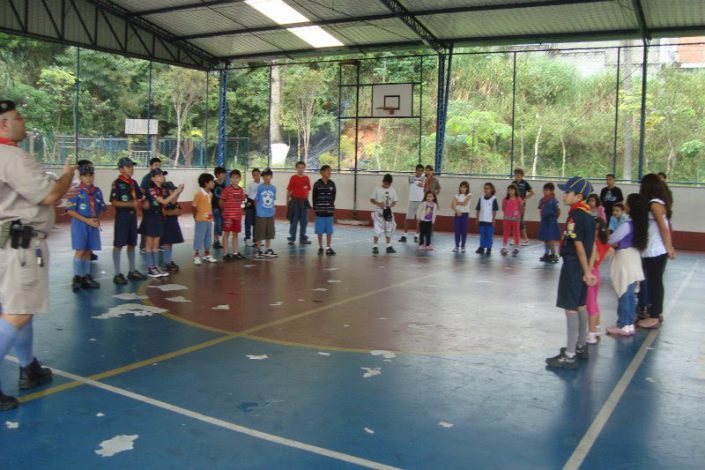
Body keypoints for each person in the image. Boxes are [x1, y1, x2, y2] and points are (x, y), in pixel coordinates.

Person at [0, 99, 75, 410]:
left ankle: (28, 366)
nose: (23, 121)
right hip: (21, 245)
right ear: (3, 124)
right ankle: (27, 366)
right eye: (17, 118)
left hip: (5, 243)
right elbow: (51, 194)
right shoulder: (12, 156)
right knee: (18, 312)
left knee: (17, 305)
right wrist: (67, 174)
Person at [545, 176, 596, 370]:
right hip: (582, 268)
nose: (564, 194)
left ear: (579, 196)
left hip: (574, 266)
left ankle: (570, 355)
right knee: (581, 305)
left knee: (571, 308)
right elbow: (593, 248)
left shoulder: (576, 216)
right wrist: (589, 271)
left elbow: (580, 247)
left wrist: (584, 271)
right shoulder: (589, 216)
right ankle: (581, 346)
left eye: (567, 192)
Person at [637, 174, 676, 329]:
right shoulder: (656, 203)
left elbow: (663, 228)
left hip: (656, 250)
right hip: (653, 249)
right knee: (654, 282)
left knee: (655, 283)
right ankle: (656, 312)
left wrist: (669, 248)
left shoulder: (654, 204)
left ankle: (654, 317)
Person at [606, 193, 647, 337]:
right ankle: (629, 324)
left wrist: (609, 239)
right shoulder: (640, 224)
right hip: (634, 257)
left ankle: (623, 324)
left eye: (627, 203)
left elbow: (612, 239)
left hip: (625, 259)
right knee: (630, 293)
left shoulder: (627, 225)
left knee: (623, 292)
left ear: (631, 207)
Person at [66, 162, 107, 291]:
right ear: (81, 177)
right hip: (80, 224)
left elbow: (102, 208)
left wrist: (98, 220)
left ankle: (86, 276)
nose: (88, 178)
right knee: (80, 250)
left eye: (91, 175)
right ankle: (77, 277)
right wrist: (86, 220)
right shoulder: (76, 191)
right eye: (85, 175)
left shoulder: (97, 191)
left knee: (88, 250)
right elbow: (70, 210)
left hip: (93, 224)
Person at [140, 168, 183, 277]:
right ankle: (150, 267)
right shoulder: (151, 189)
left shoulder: (163, 190)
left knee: (156, 244)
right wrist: (176, 192)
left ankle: (156, 266)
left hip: (159, 217)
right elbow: (163, 201)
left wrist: (178, 192)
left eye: (162, 175)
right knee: (149, 243)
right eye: (159, 175)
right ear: (153, 178)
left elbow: (171, 201)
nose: (162, 177)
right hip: (150, 218)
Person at [110, 157, 147, 285]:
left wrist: (143, 202)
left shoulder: (133, 183)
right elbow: (114, 202)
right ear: (121, 169)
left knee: (132, 243)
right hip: (122, 217)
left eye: (132, 166)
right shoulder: (117, 183)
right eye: (128, 166)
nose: (131, 169)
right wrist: (130, 203)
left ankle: (132, 271)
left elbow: (140, 197)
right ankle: (117, 273)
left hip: (132, 217)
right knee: (119, 244)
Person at [585, 218, 613, 343]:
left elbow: (593, 259)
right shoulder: (604, 243)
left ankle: (591, 335)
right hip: (597, 273)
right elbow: (610, 250)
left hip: (592, 274)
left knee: (590, 306)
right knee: (595, 303)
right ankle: (597, 329)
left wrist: (587, 273)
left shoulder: (593, 243)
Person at [220, 169, 246, 261]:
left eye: (237, 177)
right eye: (233, 177)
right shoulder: (227, 189)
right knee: (226, 234)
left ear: (240, 178)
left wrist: (242, 209)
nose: (235, 179)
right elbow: (221, 201)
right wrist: (224, 211)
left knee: (235, 234)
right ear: (230, 178)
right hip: (228, 217)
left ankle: (235, 253)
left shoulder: (241, 190)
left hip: (237, 217)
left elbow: (242, 201)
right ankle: (225, 254)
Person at [193, 173, 218, 265]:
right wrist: (195, 217)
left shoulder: (210, 194)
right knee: (199, 237)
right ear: (206, 183)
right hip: (201, 219)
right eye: (212, 182)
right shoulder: (199, 194)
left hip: (209, 219)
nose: (213, 183)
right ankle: (196, 255)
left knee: (208, 237)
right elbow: (194, 206)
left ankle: (207, 254)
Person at [312, 165, 337, 256]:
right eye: (328, 171)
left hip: (329, 211)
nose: (330, 173)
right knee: (320, 231)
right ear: (322, 172)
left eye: (330, 171)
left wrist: (329, 206)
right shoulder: (317, 184)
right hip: (319, 211)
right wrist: (316, 207)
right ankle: (320, 247)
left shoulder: (332, 184)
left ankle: (328, 247)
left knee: (329, 231)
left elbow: (333, 196)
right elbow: (314, 197)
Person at [161, 178, 184, 272]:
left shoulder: (173, 202)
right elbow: (166, 213)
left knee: (170, 243)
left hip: (172, 223)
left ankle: (169, 261)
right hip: (166, 224)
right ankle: (166, 262)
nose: (173, 191)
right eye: (172, 190)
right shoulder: (164, 201)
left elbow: (179, 211)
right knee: (166, 243)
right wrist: (173, 212)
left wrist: (179, 192)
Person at [370, 173, 398, 255]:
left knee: (389, 228)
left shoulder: (392, 190)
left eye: (388, 184)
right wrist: (378, 203)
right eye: (385, 183)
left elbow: (395, 201)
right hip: (379, 211)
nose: (386, 185)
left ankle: (388, 245)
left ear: (390, 183)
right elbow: (371, 200)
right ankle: (375, 246)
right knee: (377, 229)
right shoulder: (377, 189)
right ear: (383, 181)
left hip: (388, 212)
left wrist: (390, 206)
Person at [139, 157, 162, 253]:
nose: (158, 167)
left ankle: (156, 245)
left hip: (157, 206)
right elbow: (142, 190)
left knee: (157, 224)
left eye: (159, 166)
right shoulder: (147, 178)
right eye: (156, 165)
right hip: (148, 205)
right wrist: (144, 201)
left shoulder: (160, 177)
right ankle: (144, 246)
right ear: (150, 166)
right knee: (147, 224)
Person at [286, 161, 312, 246]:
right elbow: (289, 190)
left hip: (304, 202)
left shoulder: (306, 178)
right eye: (299, 167)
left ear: (304, 168)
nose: (300, 169)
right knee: (294, 221)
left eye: (302, 167)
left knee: (304, 221)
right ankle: (292, 238)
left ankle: (303, 238)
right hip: (294, 202)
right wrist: (287, 202)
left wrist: (306, 201)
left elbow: (307, 191)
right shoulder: (293, 178)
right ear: (296, 168)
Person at [255, 168, 278, 258]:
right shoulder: (260, 187)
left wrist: (273, 210)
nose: (266, 177)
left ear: (271, 176)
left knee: (269, 232)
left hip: (270, 213)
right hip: (261, 213)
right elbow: (257, 200)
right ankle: (259, 250)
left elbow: (273, 200)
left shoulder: (273, 188)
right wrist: (258, 210)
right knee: (260, 232)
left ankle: (268, 249)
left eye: (268, 175)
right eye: (264, 176)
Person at [399, 164, 425, 243]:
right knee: (408, 219)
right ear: (416, 170)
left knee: (420, 220)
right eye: (418, 170)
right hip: (412, 201)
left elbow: (426, 186)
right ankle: (405, 235)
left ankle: (417, 236)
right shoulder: (411, 177)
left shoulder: (425, 179)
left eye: (421, 171)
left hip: (421, 201)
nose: (420, 172)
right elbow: (410, 181)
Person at [538, 183, 561, 263]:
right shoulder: (542, 200)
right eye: (544, 190)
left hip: (551, 221)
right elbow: (540, 209)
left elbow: (558, 211)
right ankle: (547, 253)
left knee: (551, 238)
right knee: (545, 238)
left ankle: (553, 254)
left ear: (551, 191)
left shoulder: (553, 200)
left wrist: (554, 219)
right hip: (544, 220)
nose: (545, 192)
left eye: (547, 190)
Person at [512, 168, 534, 246]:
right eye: (515, 175)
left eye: (518, 175)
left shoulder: (525, 183)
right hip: (513, 206)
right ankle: (515, 239)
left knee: (520, 222)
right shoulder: (513, 183)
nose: (516, 176)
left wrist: (525, 199)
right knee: (514, 222)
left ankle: (526, 240)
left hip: (521, 206)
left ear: (522, 176)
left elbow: (532, 192)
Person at [475, 182, 498, 256]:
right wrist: (477, 218)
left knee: (489, 235)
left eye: (487, 188)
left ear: (491, 190)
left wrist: (493, 219)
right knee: (482, 234)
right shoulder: (481, 198)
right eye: (485, 188)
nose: (486, 190)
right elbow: (478, 209)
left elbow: (494, 210)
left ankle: (489, 248)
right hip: (482, 220)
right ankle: (481, 247)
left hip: (489, 221)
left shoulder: (493, 199)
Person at [501, 184, 522, 257]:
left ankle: (516, 247)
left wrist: (517, 215)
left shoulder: (518, 199)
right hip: (507, 219)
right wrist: (507, 214)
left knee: (516, 232)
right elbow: (503, 208)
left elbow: (521, 208)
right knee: (506, 232)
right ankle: (504, 247)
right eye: (509, 190)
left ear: (515, 191)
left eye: (512, 190)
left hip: (516, 219)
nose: (510, 192)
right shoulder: (505, 199)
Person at [450, 181, 472, 253]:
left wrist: (456, 202)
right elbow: (452, 205)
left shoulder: (469, 195)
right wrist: (456, 210)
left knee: (464, 231)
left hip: (465, 215)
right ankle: (456, 246)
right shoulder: (457, 195)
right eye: (461, 187)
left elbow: (464, 203)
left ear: (467, 188)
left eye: (464, 187)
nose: (463, 189)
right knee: (457, 231)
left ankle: (463, 246)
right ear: (459, 187)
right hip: (457, 215)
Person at [244, 168, 261, 247]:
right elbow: (246, 195)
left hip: (258, 204)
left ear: (260, 174)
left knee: (256, 223)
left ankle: (255, 238)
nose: (256, 176)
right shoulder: (250, 185)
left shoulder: (262, 185)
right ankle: (247, 238)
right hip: (250, 203)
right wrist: (248, 203)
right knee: (248, 222)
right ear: (252, 176)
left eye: (257, 174)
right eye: (254, 175)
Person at [212, 166, 227, 250]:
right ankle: (216, 241)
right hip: (215, 207)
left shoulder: (224, 184)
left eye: (225, 174)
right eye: (223, 173)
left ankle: (216, 241)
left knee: (220, 223)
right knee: (217, 223)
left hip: (222, 207)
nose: (224, 175)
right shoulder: (213, 184)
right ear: (217, 175)